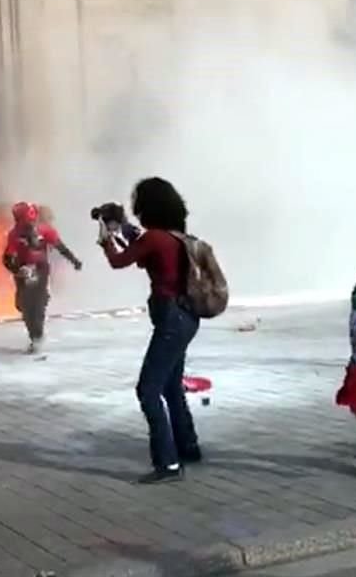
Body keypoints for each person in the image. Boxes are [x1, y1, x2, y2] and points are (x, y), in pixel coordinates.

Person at [97, 177, 202, 484]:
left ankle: (168, 463)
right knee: (171, 386)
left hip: (170, 319)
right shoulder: (175, 236)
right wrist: (122, 226)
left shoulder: (155, 238)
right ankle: (188, 446)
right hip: (186, 317)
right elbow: (143, 248)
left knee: (148, 389)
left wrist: (106, 238)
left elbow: (120, 261)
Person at [2, 202, 82, 353]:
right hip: (23, 271)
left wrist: (74, 260)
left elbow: (60, 246)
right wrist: (17, 270)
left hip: (41, 270)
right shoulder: (14, 234)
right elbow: (7, 258)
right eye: (25, 224)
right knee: (24, 306)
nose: (29, 227)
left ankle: (37, 335)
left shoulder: (46, 231)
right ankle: (34, 333)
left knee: (37, 305)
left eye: (31, 223)